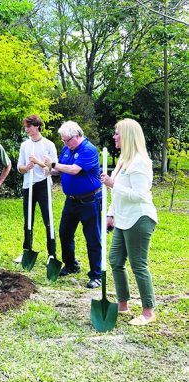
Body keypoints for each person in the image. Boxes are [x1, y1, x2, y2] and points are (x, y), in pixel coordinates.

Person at [101, 119, 158, 326]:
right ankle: (123, 305)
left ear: (128, 135)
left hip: (139, 218)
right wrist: (110, 214)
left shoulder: (140, 162)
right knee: (115, 260)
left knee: (138, 265)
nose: (114, 136)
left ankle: (148, 311)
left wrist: (113, 183)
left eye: (117, 133)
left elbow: (140, 195)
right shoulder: (123, 160)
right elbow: (117, 195)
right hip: (123, 219)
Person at [43, 121, 102, 288]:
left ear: (77, 136)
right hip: (71, 200)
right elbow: (61, 168)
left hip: (89, 200)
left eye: (67, 140)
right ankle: (71, 264)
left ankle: (96, 274)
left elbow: (75, 169)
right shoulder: (67, 149)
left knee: (92, 237)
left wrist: (53, 164)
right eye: (62, 141)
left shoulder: (88, 149)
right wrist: (50, 170)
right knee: (65, 232)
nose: (65, 144)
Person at [14, 115, 58, 263]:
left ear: (37, 126)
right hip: (28, 184)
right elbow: (19, 167)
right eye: (25, 126)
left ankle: (52, 254)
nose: (26, 129)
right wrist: (26, 168)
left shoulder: (48, 144)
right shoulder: (25, 145)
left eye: (29, 126)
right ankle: (27, 251)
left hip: (43, 184)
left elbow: (54, 168)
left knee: (48, 219)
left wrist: (38, 162)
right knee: (28, 219)